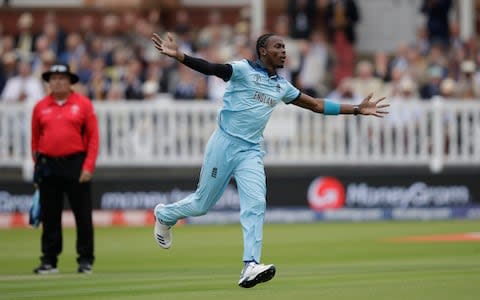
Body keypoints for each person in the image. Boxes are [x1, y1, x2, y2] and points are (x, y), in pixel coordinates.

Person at [150, 32, 389, 288]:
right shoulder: (242, 70)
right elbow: (211, 68)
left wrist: (355, 109)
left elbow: (316, 105)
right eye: (278, 47)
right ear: (263, 51)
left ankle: (250, 264)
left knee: (255, 205)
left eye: (285, 47)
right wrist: (179, 56)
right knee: (201, 205)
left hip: (251, 150)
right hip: (224, 144)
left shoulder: (281, 85)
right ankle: (165, 215)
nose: (284, 51)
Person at [31, 63, 99, 274]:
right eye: (53, 78)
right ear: (49, 82)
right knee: (50, 217)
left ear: (70, 81)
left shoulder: (83, 104)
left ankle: (85, 259)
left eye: (62, 78)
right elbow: (35, 140)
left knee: (82, 215)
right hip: (48, 165)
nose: (58, 81)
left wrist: (88, 166)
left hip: (75, 164)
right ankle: (49, 260)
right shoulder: (40, 106)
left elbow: (93, 138)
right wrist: (37, 169)